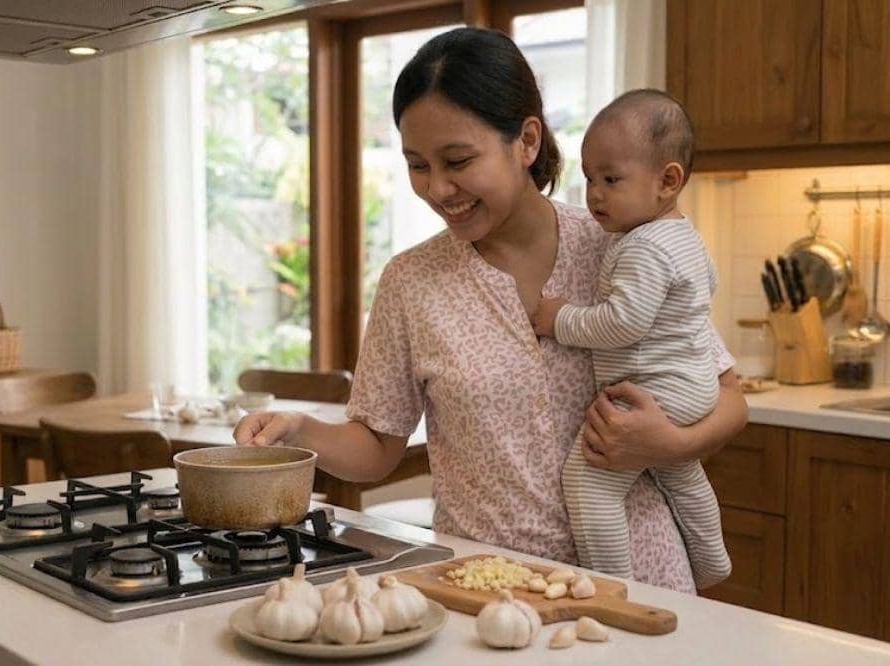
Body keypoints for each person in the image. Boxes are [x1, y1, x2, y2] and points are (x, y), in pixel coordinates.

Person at [233, 27, 747, 594]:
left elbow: (729, 397)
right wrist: (301, 430)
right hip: (487, 588)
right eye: (417, 164)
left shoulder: (621, 244)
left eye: (457, 160)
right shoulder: (411, 283)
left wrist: (670, 445)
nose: (437, 188)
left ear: (526, 141)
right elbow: (377, 447)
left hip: (642, 581)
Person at [531, 89, 730, 589]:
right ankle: (712, 562)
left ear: (668, 181)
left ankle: (615, 589)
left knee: (587, 483)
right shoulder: (684, 234)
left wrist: (559, 319)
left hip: (656, 388)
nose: (594, 194)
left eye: (611, 179)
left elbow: (622, 323)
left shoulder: (642, 246)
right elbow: (709, 283)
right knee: (679, 470)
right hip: (693, 385)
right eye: (589, 178)